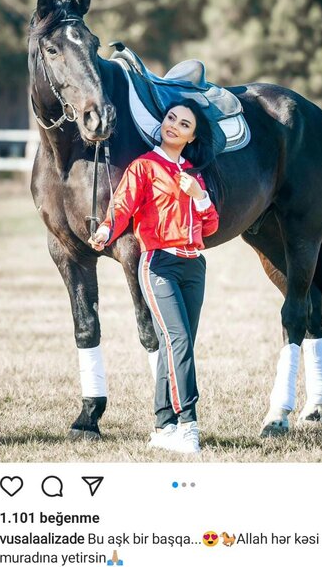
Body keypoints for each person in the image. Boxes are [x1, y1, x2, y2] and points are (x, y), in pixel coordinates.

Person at [89, 99, 222, 454]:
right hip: (159, 265)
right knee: (178, 341)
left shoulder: (194, 173)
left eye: (184, 124)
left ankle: (163, 426)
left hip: (194, 266)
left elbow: (210, 226)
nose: (173, 125)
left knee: (176, 345)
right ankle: (188, 426)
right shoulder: (144, 167)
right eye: (171, 118)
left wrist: (201, 196)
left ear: (192, 136)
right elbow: (121, 207)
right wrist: (106, 231)